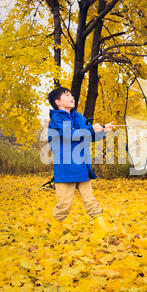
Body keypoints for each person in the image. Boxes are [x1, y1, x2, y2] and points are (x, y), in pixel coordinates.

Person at [47, 86, 115, 242]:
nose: (71, 97)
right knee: (64, 204)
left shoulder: (78, 117)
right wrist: (92, 129)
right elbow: (70, 135)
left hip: (82, 166)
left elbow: (87, 136)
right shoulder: (57, 119)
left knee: (90, 199)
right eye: (67, 95)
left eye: (71, 94)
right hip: (65, 168)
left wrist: (104, 130)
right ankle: (56, 232)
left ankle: (101, 228)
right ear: (58, 102)